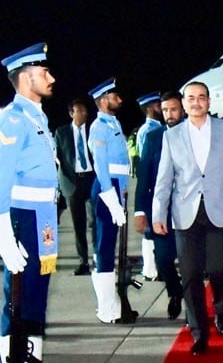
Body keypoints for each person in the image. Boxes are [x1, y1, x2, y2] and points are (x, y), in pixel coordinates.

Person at [152, 81, 223, 355]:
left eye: (201, 97)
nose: (196, 102)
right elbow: (164, 179)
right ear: (184, 103)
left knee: (220, 269)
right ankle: (199, 332)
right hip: (185, 214)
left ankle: (220, 305)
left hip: (220, 211)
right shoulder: (172, 136)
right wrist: (158, 213)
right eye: (191, 98)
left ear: (209, 101)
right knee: (191, 275)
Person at [0, 42, 57, 363]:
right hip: (22, 216)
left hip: (43, 214)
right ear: (25, 77)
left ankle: (32, 352)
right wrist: (4, 236)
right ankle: (11, 354)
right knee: (18, 291)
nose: (51, 78)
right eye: (44, 72)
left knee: (37, 286)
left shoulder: (37, 118)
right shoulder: (13, 119)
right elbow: (1, 178)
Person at [134, 91, 185, 320]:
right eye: (165, 110)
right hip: (161, 212)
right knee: (163, 259)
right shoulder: (154, 137)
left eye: (173, 109)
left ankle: (193, 309)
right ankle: (175, 292)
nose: (169, 114)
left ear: (182, 109)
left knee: (190, 263)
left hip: (190, 211)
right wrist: (140, 211)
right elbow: (144, 176)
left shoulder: (193, 134)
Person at [87, 78, 134, 325]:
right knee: (105, 246)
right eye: (115, 96)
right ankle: (107, 308)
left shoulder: (113, 123)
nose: (120, 99)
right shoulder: (99, 127)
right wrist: (111, 198)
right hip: (108, 188)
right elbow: (101, 165)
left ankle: (115, 303)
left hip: (117, 187)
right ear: (104, 99)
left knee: (112, 245)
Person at [55, 98, 96, 276]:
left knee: (94, 221)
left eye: (85, 111)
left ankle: (98, 258)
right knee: (78, 225)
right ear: (71, 113)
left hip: (91, 180)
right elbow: (57, 157)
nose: (84, 114)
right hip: (72, 183)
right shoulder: (61, 132)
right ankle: (83, 262)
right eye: (79, 111)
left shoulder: (93, 130)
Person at [135, 91, 163, 282]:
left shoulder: (156, 128)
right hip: (152, 186)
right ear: (150, 108)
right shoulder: (147, 131)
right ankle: (150, 269)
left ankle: (154, 268)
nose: (161, 108)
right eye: (158, 105)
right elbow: (146, 161)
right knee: (150, 231)